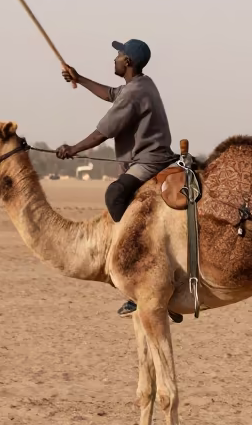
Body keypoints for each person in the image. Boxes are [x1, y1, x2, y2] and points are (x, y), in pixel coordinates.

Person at [56, 39, 181, 320]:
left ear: (128, 62)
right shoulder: (141, 84)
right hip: (150, 158)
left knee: (115, 195)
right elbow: (112, 93)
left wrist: (72, 149)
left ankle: (139, 272)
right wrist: (80, 78)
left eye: (118, 55)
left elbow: (104, 131)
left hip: (148, 162)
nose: (114, 59)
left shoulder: (135, 93)